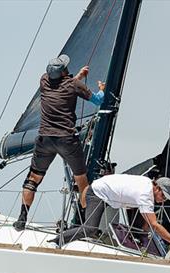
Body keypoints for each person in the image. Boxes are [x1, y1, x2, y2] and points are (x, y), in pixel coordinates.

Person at [14, 54, 106, 231]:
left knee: (33, 179)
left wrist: (78, 77)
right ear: (64, 72)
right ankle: (84, 223)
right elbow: (98, 100)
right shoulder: (73, 85)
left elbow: (64, 85)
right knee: (82, 181)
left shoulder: (44, 81)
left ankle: (22, 218)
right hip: (66, 139)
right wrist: (102, 88)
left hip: (44, 139)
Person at [55, 174, 170, 247]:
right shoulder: (145, 194)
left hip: (110, 194)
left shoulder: (147, 184)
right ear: (157, 187)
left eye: (166, 199)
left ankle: (139, 240)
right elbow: (154, 224)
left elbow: (148, 221)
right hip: (98, 193)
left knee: (143, 218)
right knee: (90, 229)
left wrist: (145, 233)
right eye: (163, 196)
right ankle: (55, 242)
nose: (163, 200)